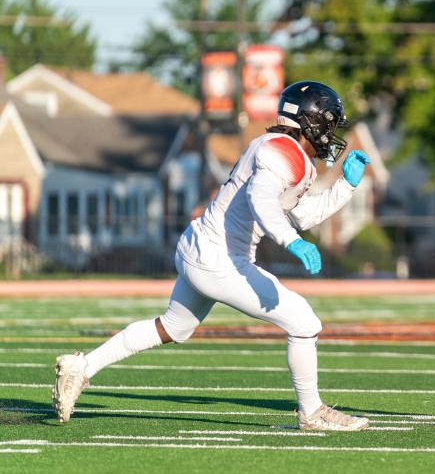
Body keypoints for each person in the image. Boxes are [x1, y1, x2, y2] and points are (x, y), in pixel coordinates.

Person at [52, 81, 372, 431]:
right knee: (304, 322)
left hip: (200, 247)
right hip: (219, 260)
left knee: (172, 327)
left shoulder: (283, 152)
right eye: (328, 124)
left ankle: (82, 367)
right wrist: (290, 241)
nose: (330, 134)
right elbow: (261, 200)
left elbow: (305, 214)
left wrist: (345, 186)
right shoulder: (283, 153)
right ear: (309, 121)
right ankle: (312, 413)